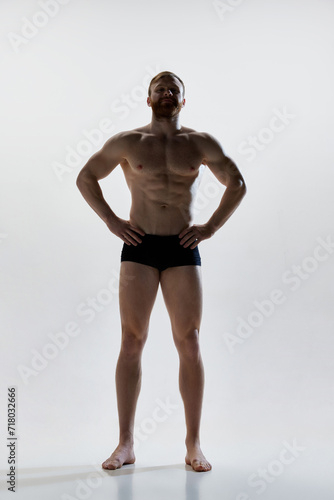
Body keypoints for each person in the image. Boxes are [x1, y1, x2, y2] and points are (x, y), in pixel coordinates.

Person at [76, 71, 246, 472]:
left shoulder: (201, 143)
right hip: (139, 246)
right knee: (132, 340)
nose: (166, 94)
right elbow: (85, 177)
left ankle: (194, 444)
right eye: (160, 89)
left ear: (183, 101)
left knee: (190, 341)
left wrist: (211, 227)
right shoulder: (128, 142)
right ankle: (125, 443)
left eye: (174, 90)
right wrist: (112, 221)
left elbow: (235, 182)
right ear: (148, 98)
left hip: (182, 248)